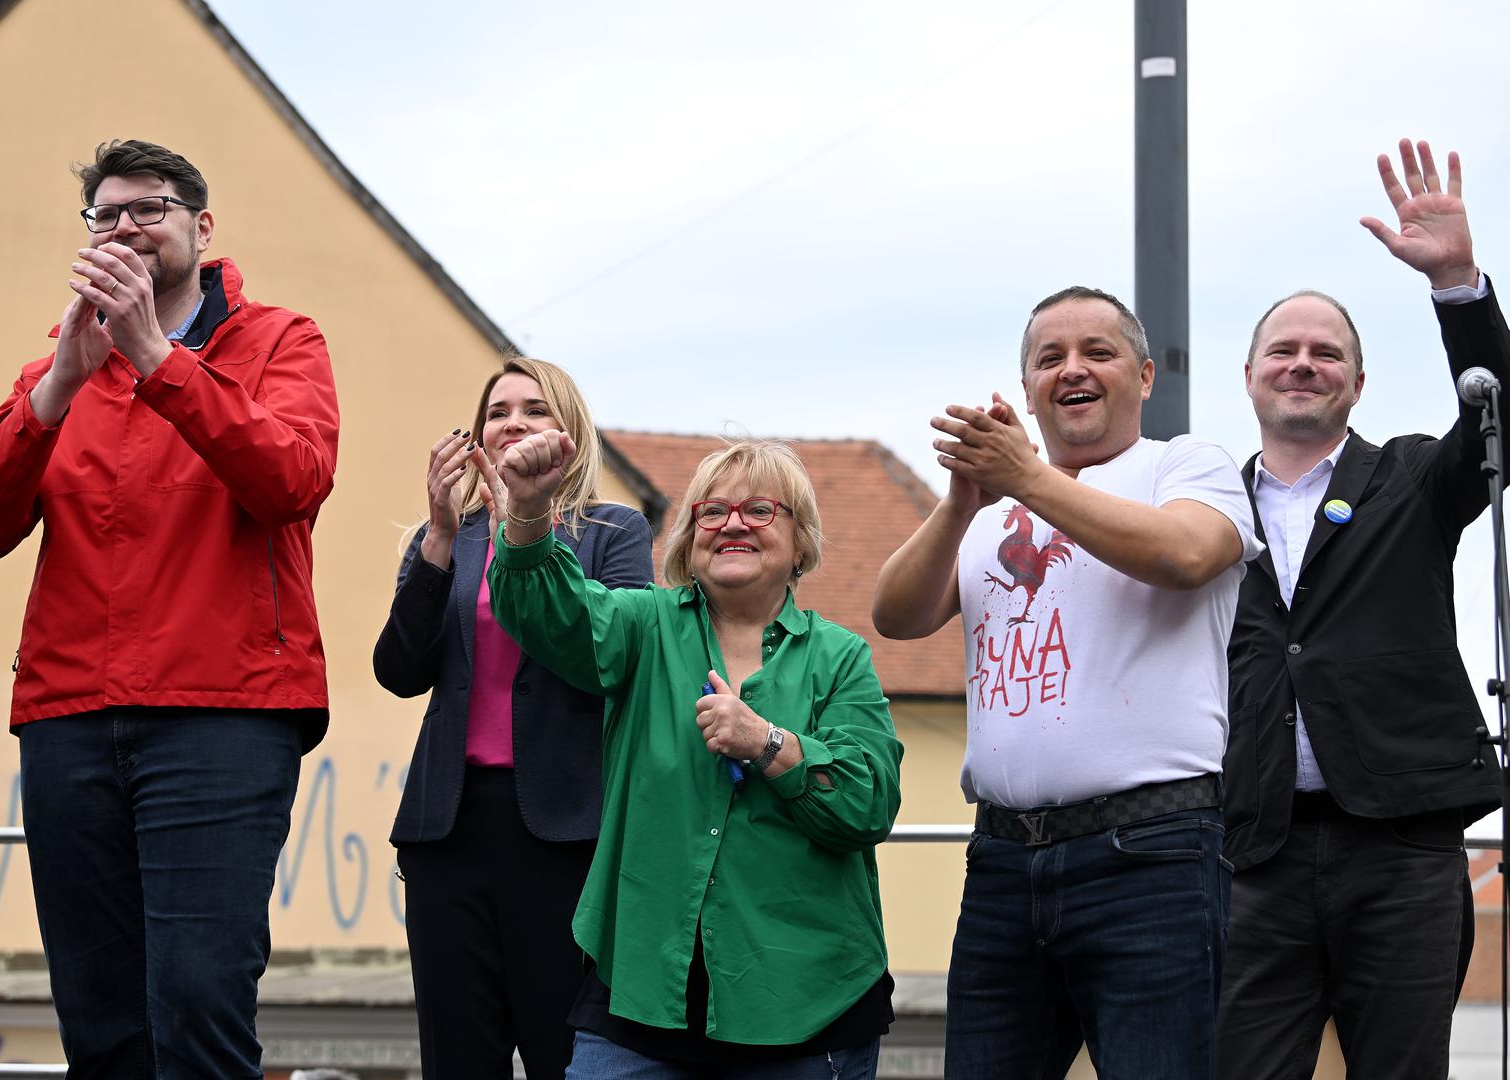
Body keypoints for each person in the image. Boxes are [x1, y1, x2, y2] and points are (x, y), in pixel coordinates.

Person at [0, 139, 338, 1078]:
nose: (125, 226)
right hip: (70, 716)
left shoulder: (283, 340)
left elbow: (292, 479)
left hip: (223, 713)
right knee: (98, 1018)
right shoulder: (60, 363)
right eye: (106, 214)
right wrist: (58, 386)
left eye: (149, 208)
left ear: (201, 230)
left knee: (199, 1004)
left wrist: (156, 357)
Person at [871, 287, 1262, 1078]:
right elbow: (896, 614)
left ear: (1146, 377)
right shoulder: (989, 509)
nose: (1072, 370)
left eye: (1098, 352)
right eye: (1050, 359)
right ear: (1027, 391)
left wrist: (1027, 477)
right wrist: (961, 502)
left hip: (1151, 856)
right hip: (1006, 861)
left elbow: (1186, 556)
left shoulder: (1184, 465)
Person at [1218, 139, 1507, 1079]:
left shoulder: (1415, 477)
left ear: (1358, 380)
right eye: (1284, 351)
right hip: (1252, 854)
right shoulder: (1204, 508)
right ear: (1252, 374)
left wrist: (1458, 282)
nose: (1303, 365)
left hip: (1403, 850)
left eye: (1326, 353)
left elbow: (1502, 417)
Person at [483, 434, 902, 1080]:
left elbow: (868, 802)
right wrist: (531, 513)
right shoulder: (642, 626)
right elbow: (548, 611)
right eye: (712, 511)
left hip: (807, 1007)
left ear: (800, 541)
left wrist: (769, 745)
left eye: (760, 510)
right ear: (687, 538)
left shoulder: (840, 658)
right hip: (640, 999)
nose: (733, 523)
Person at [372, 356, 654, 1078]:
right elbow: (400, 672)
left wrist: (530, 523)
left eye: (533, 409)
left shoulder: (611, 533)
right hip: (449, 831)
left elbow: (613, 660)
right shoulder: (450, 537)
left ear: (569, 432)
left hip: (564, 831)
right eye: (497, 412)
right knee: (459, 1059)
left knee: (566, 1054)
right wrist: (435, 537)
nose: (512, 423)